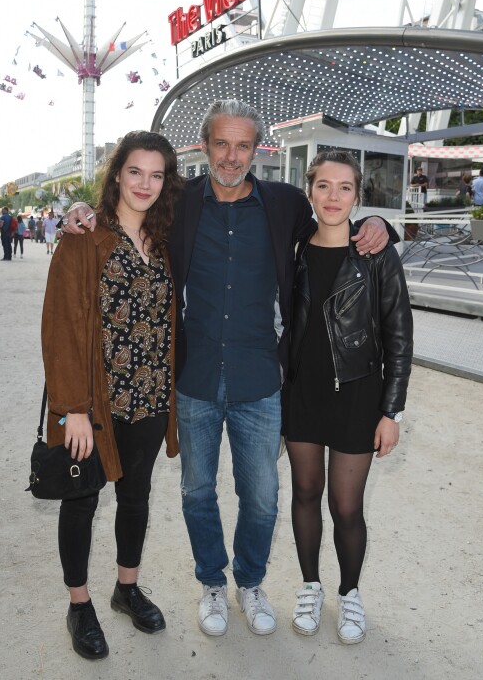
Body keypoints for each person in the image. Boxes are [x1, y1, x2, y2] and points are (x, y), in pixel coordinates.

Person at [62, 100, 391, 638]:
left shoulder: (285, 204)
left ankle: (251, 581)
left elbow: (337, 223)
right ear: (205, 146)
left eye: (242, 145)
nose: (232, 156)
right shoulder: (180, 201)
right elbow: (123, 207)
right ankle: (212, 583)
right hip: (193, 379)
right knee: (196, 492)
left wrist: (377, 223)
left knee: (261, 497)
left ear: (257, 149)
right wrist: (79, 208)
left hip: (260, 377)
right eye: (221, 143)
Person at [41, 131, 183, 661]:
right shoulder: (86, 237)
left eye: (156, 174)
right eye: (134, 172)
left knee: (136, 497)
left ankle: (126, 588)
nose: (145, 184)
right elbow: (62, 326)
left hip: (150, 398)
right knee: (81, 500)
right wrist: (72, 408)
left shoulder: (163, 239)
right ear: (116, 175)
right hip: (96, 403)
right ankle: (79, 605)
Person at [283, 150, 413, 644]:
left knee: (346, 507)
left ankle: (350, 592)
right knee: (304, 494)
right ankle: (310, 586)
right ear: (309, 190)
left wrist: (391, 411)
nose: (333, 196)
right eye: (323, 186)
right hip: (302, 394)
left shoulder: (376, 254)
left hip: (358, 397)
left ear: (358, 196)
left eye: (344, 188)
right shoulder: (294, 248)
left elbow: (400, 336)